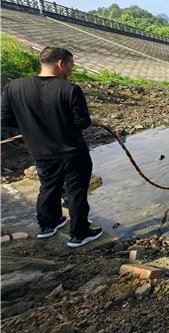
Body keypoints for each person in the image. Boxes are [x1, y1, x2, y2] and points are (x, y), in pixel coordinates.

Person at [1, 46, 103, 248]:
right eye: (70, 66)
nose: (71, 70)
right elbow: (81, 123)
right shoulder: (70, 89)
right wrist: (92, 120)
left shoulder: (14, 87)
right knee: (76, 192)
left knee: (48, 187)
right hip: (73, 152)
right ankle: (79, 234)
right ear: (60, 64)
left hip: (40, 151)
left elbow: (4, 118)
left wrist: (31, 128)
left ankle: (48, 225)